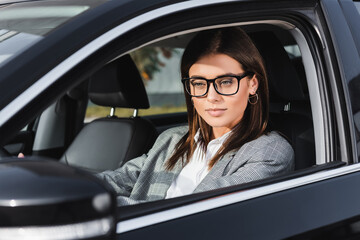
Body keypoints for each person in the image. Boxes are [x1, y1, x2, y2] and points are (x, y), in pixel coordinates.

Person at [97, 27, 294, 206]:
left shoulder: (269, 153)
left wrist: (93, 207)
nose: (211, 97)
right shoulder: (172, 140)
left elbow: (190, 212)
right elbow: (119, 179)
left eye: (226, 82)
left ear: (252, 84)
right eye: (199, 83)